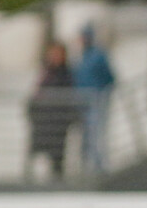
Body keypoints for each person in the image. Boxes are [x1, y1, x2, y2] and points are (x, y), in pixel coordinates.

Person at [27, 41, 80, 181]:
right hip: (44, 120)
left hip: (58, 121)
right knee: (39, 151)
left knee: (57, 154)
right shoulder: (46, 71)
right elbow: (37, 93)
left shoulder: (66, 73)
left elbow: (69, 95)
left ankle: (57, 180)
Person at [73, 23, 115, 175]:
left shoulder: (98, 55)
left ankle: (99, 166)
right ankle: (86, 164)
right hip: (82, 100)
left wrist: (102, 93)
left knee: (95, 132)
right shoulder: (81, 56)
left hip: (96, 99)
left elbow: (110, 77)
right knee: (85, 134)